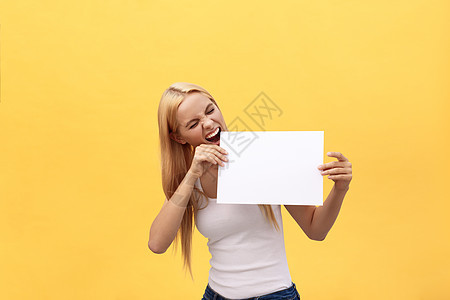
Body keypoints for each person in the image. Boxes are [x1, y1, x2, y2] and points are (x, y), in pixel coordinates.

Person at [148, 82, 353, 300]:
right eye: (193, 124)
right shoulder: (189, 180)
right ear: (179, 138)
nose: (208, 123)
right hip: (215, 295)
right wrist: (191, 176)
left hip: (274, 295)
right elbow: (157, 244)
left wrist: (340, 188)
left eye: (210, 110)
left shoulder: (263, 156)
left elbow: (315, 230)